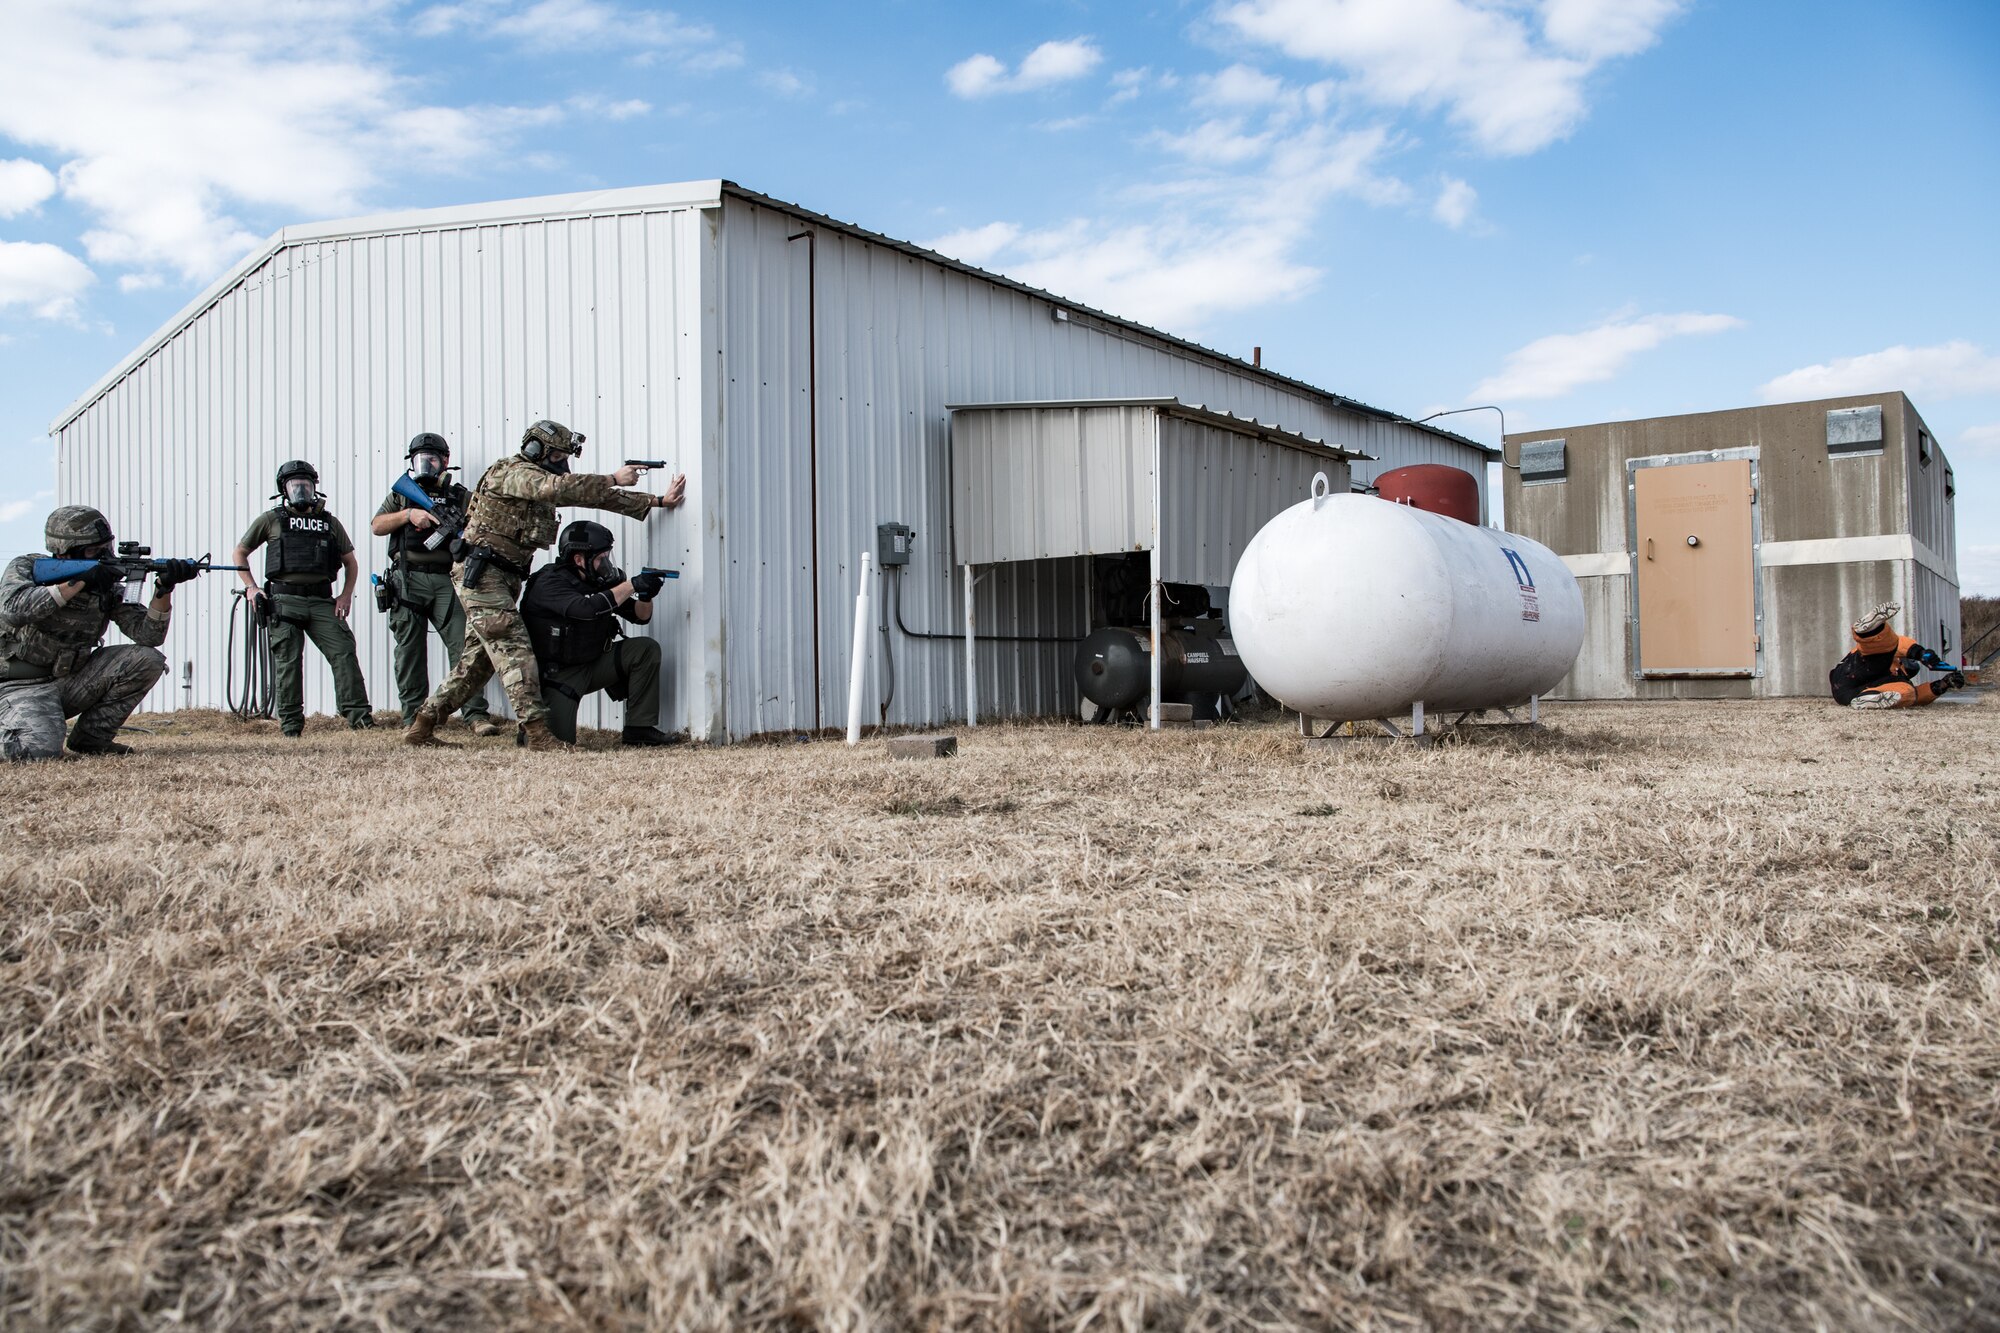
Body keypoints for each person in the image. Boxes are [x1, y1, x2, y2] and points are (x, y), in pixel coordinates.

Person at [403, 419, 684, 750]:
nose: (562, 463)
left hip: (504, 578)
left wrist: (657, 501)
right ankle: (538, 734)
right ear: (537, 450)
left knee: (477, 664)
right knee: (516, 651)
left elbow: (597, 499)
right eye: (557, 455)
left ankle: (421, 727)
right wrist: (612, 477)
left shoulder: (539, 483)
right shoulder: (511, 472)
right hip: (483, 575)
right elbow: (561, 487)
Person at [0, 506, 196, 760]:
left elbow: (149, 636)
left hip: (70, 682)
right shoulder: (27, 566)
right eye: (94, 551)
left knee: (147, 660)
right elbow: (14, 609)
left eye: (106, 547)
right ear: (65, 551)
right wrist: (79, 581)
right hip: (18, 688)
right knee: (37, 753)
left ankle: (92, 740)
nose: (104, 555)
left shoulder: (106, 584)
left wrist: (164, 589)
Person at [231, 460, 374, 737]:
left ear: (314, 488)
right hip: (284, 600)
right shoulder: (270, 519)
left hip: (323, 601)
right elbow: (240, 553)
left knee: (343, 652)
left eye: (306, 486)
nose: (301, 491)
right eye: (295, 486)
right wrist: (251, 588)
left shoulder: (329, 522)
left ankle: (360, 719)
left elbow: (350, 563)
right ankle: (292, 726)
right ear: (284, 489)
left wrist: (345, 595)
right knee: (289, 662)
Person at [371, 432, 501, 736]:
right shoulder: (402, 495)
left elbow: (484, 526)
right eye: (421, 458)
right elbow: (377, 526)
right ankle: (412, 718)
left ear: (445, 461)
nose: (427, 463)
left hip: (449, 579)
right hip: (408, 578)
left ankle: (475, 715)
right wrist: (409, 515)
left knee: (465, 647)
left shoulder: (461, 496)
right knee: (409, 651)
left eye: (433, 458)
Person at [520, 520, 678, 746]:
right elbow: (586, 609)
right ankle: (526, 728)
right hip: (559, 675)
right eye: (601, 558)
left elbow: (640, 617)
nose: (606, 564)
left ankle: (639, 729)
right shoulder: (549, 582)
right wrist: (631, 584)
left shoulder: (598, 581)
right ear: (578, 559)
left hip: (593, 663)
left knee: (645, 649)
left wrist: (645, 594)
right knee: (556, 744)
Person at [1829, 601, 1965, 710]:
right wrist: (1920, 653)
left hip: (1850, 694)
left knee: (1908, 691)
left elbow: (1917, 696)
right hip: (1851, 673)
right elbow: (1898, 644)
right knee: (1883, 652)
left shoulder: (1899, 679)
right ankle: (1870, 630)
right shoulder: (1889, 658)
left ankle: (1869, 698)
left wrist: (1944, 683)